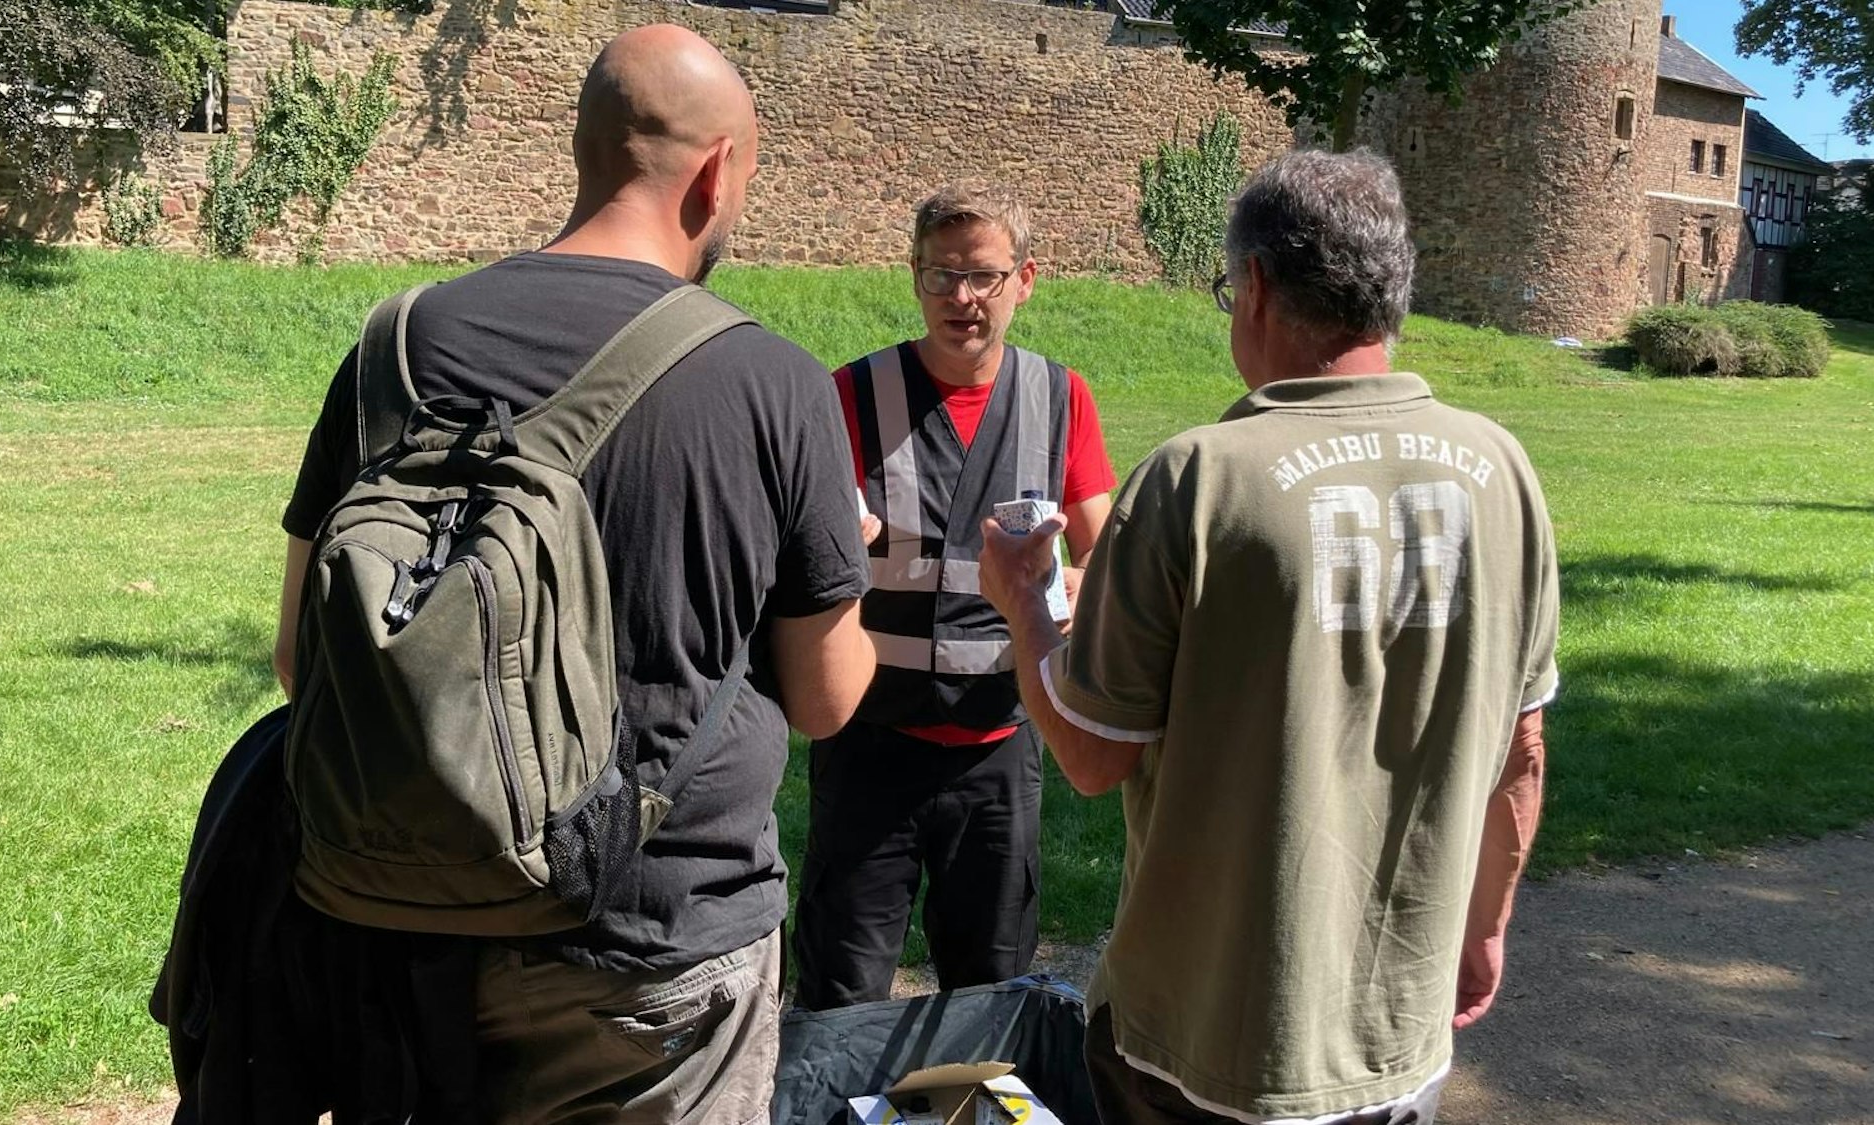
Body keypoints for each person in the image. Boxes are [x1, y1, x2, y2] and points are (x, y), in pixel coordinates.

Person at [270, 25, 876, 1123]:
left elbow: (295, 659)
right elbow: (828, 701)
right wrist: (849, 558)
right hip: (657, 946)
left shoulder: (393, 345)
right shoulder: (771, 381)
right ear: (716, 171)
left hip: (402, 922)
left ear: (581, 146)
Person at [978, 149, 1560, 1125]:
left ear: (1251, 284)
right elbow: (1521, 751)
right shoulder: (1499, 470)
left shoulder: (1197, 478)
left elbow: (1087, 752)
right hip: (1396, 1032)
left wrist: (1025, 600)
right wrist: (1483, 927)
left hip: (1205, 1043)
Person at [791, 185, 1118, 1010]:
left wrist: (1078, 587)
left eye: (983, 276)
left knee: (992, 988)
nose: (961, 299)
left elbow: (1110, 564)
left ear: (1025, 280)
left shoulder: (1061, 397)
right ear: (914, 277)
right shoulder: (851, 394)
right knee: (842, 987)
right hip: (871, 743)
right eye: (941, 276)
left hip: (1001, 745)